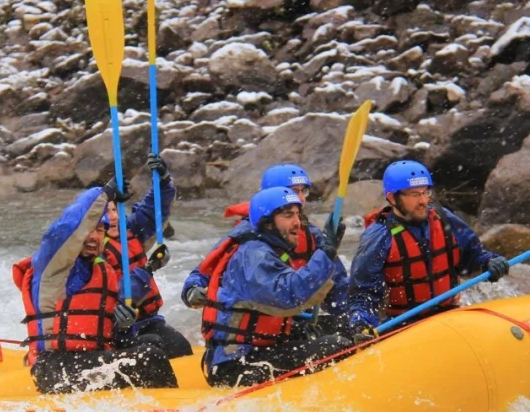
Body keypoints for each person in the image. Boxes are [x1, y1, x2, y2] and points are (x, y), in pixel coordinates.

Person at [12, 182, 178, 394]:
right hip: (55, 368)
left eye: (100, 230)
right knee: (149, 357)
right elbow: (67, 227)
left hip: (87, 361)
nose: (93, 236)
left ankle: (153, 404)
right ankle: (173, 411)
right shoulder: (53, 267)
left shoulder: (103, 271)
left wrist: (124, 327)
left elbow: (110, 336)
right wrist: (104, 192)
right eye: (89, 231)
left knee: (153, 342)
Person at [195, 186, 352, 388]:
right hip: (236, 366)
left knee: (333, 327)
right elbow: (289, 295)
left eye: (297, 214)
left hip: (255, 352)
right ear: (268, 223)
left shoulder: (268, 249)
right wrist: (326, 253)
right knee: (337, 345)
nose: (297, 222)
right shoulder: (254, 255)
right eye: (288, 215)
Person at [346, 160, 510, 336]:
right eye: (415, 194)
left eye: (425, 192)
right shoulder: (378, 237)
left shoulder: (443, 218)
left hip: (449, 315)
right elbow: (363, 295)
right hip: (402, 326)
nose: (424, 201)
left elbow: (472, 258)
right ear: (392, 198)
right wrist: (361, 324)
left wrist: (489, 262)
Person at [184, 163, 349, 337]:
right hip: (264, 323)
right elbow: (206, 271)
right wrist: (192, 288)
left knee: (343, 326)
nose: (301, 198)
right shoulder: (248, 239)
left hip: (293, 317)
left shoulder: (311, 235)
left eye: (304, 191)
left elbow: (337, 286)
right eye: (293, 191)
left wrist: (353, 317)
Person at [102, 153, 192, 358]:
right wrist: (149, 268)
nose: (113, 217)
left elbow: (152, 211)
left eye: (115, 210)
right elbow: (120, 293)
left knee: (179, 346)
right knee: (154, 346)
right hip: (117, 328)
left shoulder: (128, 230)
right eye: (106, 212)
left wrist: (163, 181)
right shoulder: (91, 249)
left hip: (147, 320)